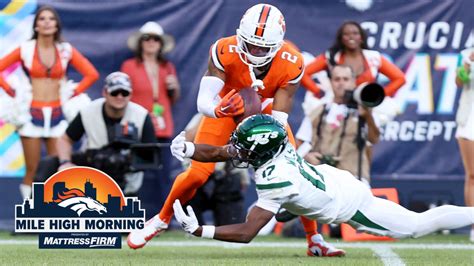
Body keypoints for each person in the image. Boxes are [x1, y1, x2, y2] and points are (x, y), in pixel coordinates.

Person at [127, 3, 344, 257]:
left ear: (276, 45)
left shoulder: (291, 61)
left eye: (261, 47)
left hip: (266, 115)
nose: (253, 51)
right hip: (227, 108)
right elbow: (203, 102)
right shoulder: (224, 49)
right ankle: (161, 220)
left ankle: (314, 239)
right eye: (249, 44)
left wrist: (264, 136)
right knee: (197, 173)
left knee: (294, 172)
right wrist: (219, 110)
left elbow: (280, 118)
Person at [171, 114, 474, 248]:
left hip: (349, 204)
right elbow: (223, 150)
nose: (235, 150)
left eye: (244, 147)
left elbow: (248, 232)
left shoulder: (274, 178)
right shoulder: (278, 145)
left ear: (262, 150)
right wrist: (188, 148)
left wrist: (200, 230)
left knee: (416, 227)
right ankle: (299, 215)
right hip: (332, 180)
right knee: (293, 201)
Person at [0, 6, 99, 199]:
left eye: (51, 19)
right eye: (42, 19)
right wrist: (10, 90)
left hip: (57, 114)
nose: (46, 22)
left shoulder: (65, 50)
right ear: (35, 25)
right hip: (30, 115)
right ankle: (28, 215)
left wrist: (74, 92)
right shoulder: (26, 49)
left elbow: (91, 74)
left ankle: (52, 211)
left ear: (56, 25)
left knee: (56, 167)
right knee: (32, 168)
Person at [55, 72, 156, 196]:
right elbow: (65, 139)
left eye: (124, 93)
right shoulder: (88, 111)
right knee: (50, 164)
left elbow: (151, 153)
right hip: (93, 179)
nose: (119, 97)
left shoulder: (141, 115)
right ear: (105, 93)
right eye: (114, 92)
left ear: (130, 95)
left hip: (128, 183)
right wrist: (65, 162)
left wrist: (128, 160)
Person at [296, 65, 380, 184]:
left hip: (354, 180)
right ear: (330, 82)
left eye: (345, 79)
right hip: (322, 179)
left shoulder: (365, 109)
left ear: (353, 82)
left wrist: (368, 117)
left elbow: (374, 139)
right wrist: (306, 157)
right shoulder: (318, 110)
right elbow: (299, 143)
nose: (341, 83)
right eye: (337, 79)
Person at [121, 21, 181, 185]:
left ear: (160, 44)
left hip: (163, 129)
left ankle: (165, 211)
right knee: (136, 175)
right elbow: (121, 98)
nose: (151, 42)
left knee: (163, 177)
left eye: (155, 39)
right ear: (140, 43)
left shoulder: (167, 67)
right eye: (147, 38)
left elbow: (173, 100)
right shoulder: (129, 66)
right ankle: (132, 209)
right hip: (138, 127)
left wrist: (175, 87)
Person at [303, 21, 405, 98]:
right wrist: (317, 92)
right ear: (341, 39)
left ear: (361, 38)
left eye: (355, 33)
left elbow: (400, 78)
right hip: (337, 107)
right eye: (346, 34)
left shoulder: (373, 58)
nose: (351, 37)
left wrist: (379, 96)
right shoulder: (332, 57)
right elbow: (303, 73)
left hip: (366, 108)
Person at [454, 47, 474, 242]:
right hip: (470, 119)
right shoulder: (465, 54)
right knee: (473, 175)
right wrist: (469, 61)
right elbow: (460, 81)